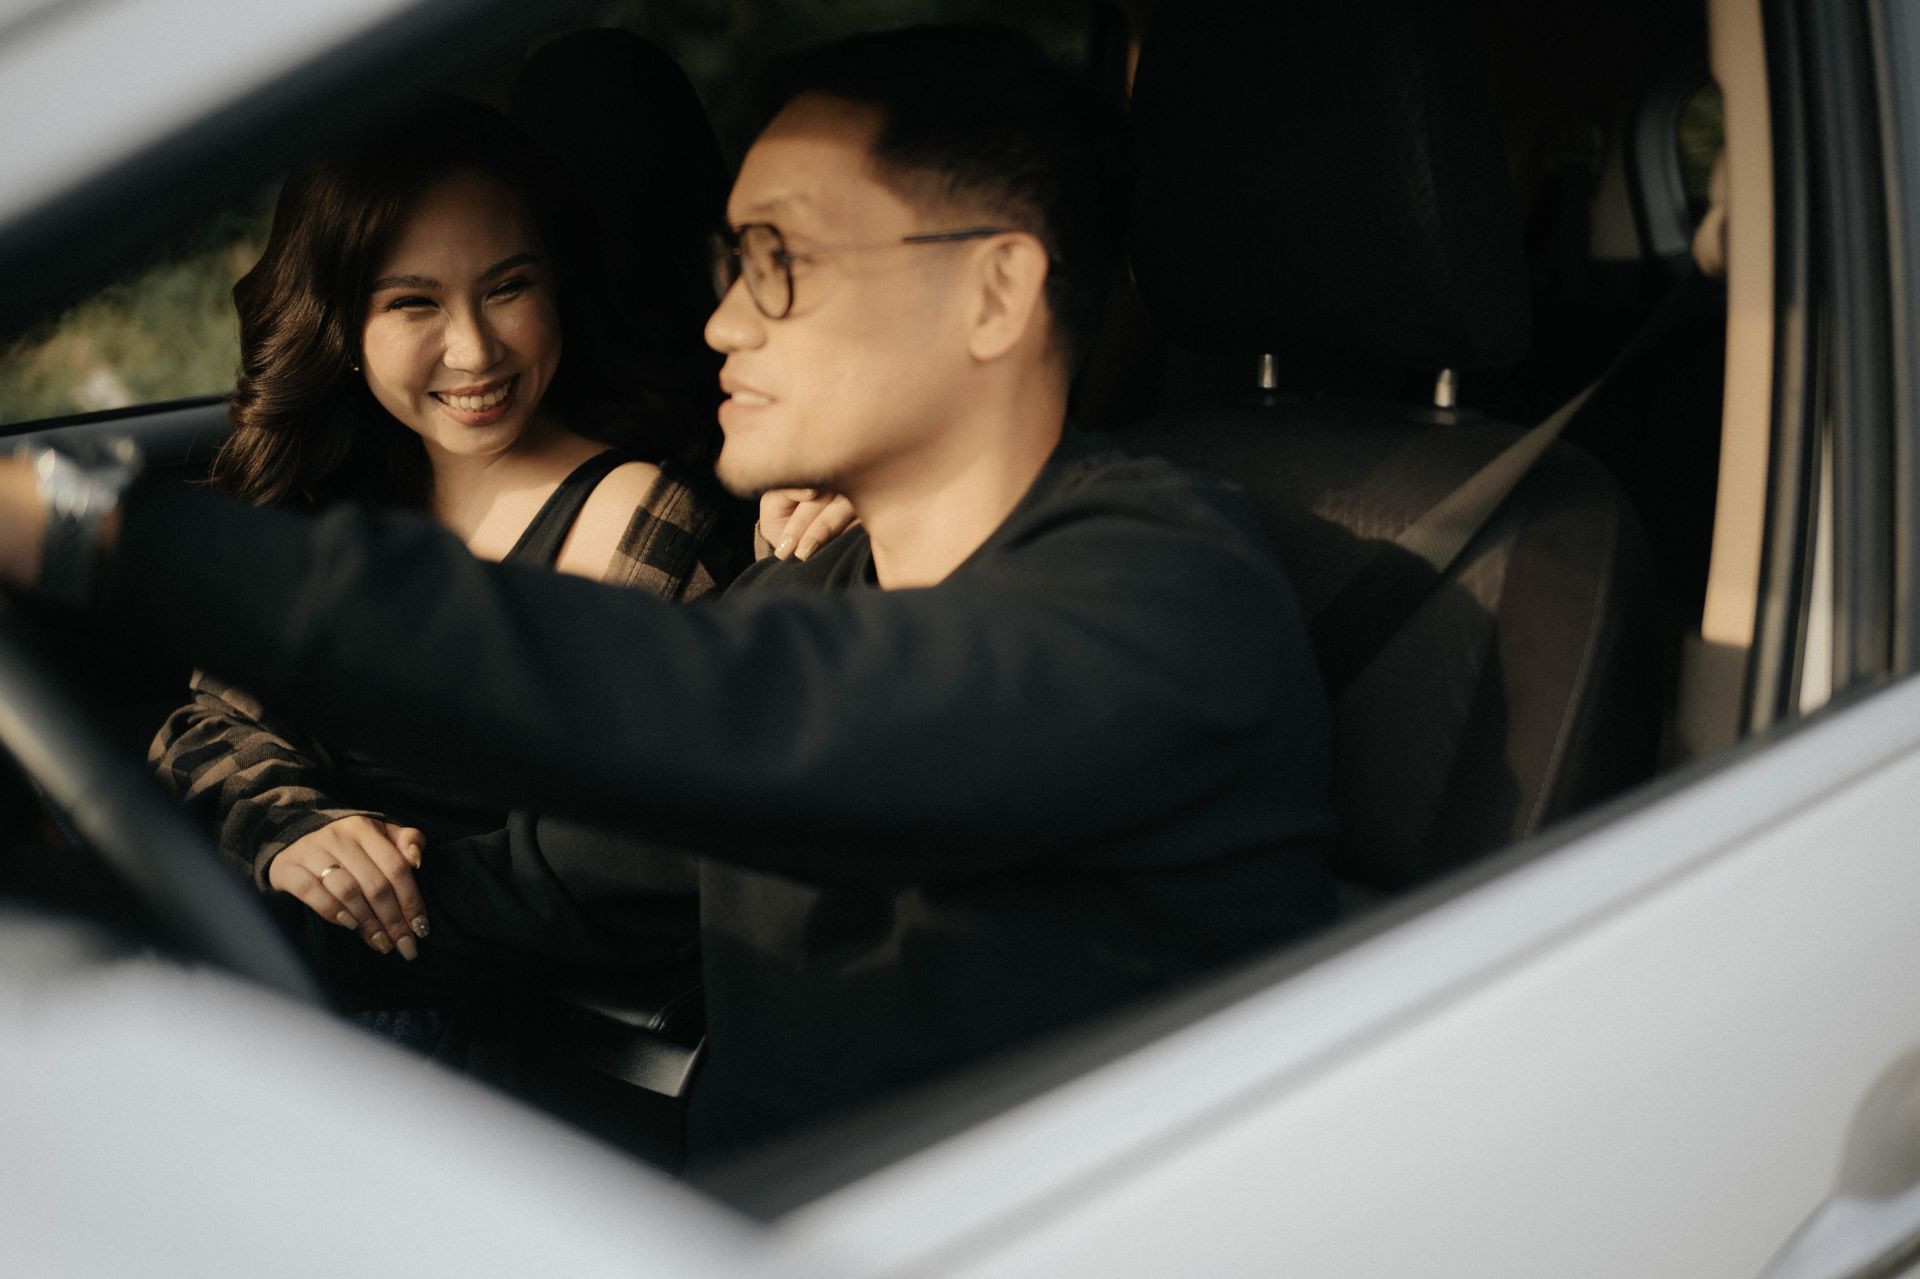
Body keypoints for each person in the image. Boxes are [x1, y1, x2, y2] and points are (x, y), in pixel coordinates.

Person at [0, 26, 1338, 1161]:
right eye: (727, 265)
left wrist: (96, 531)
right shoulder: (816, 585)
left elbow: (721, 707)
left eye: (780, 260)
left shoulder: (1166, 589)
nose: (723, 323)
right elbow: (523, 891)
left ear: (994, 290)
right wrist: (128, 924)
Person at [147, 94, 753, 963]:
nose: (474, 351)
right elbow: (207, 729)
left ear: (558, 286)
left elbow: (637, 848)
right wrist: (297, 834)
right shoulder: (329, 496)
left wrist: (391, 898)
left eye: (508, 287)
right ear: (340, 325)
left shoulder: (641, 516)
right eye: (413, 303)